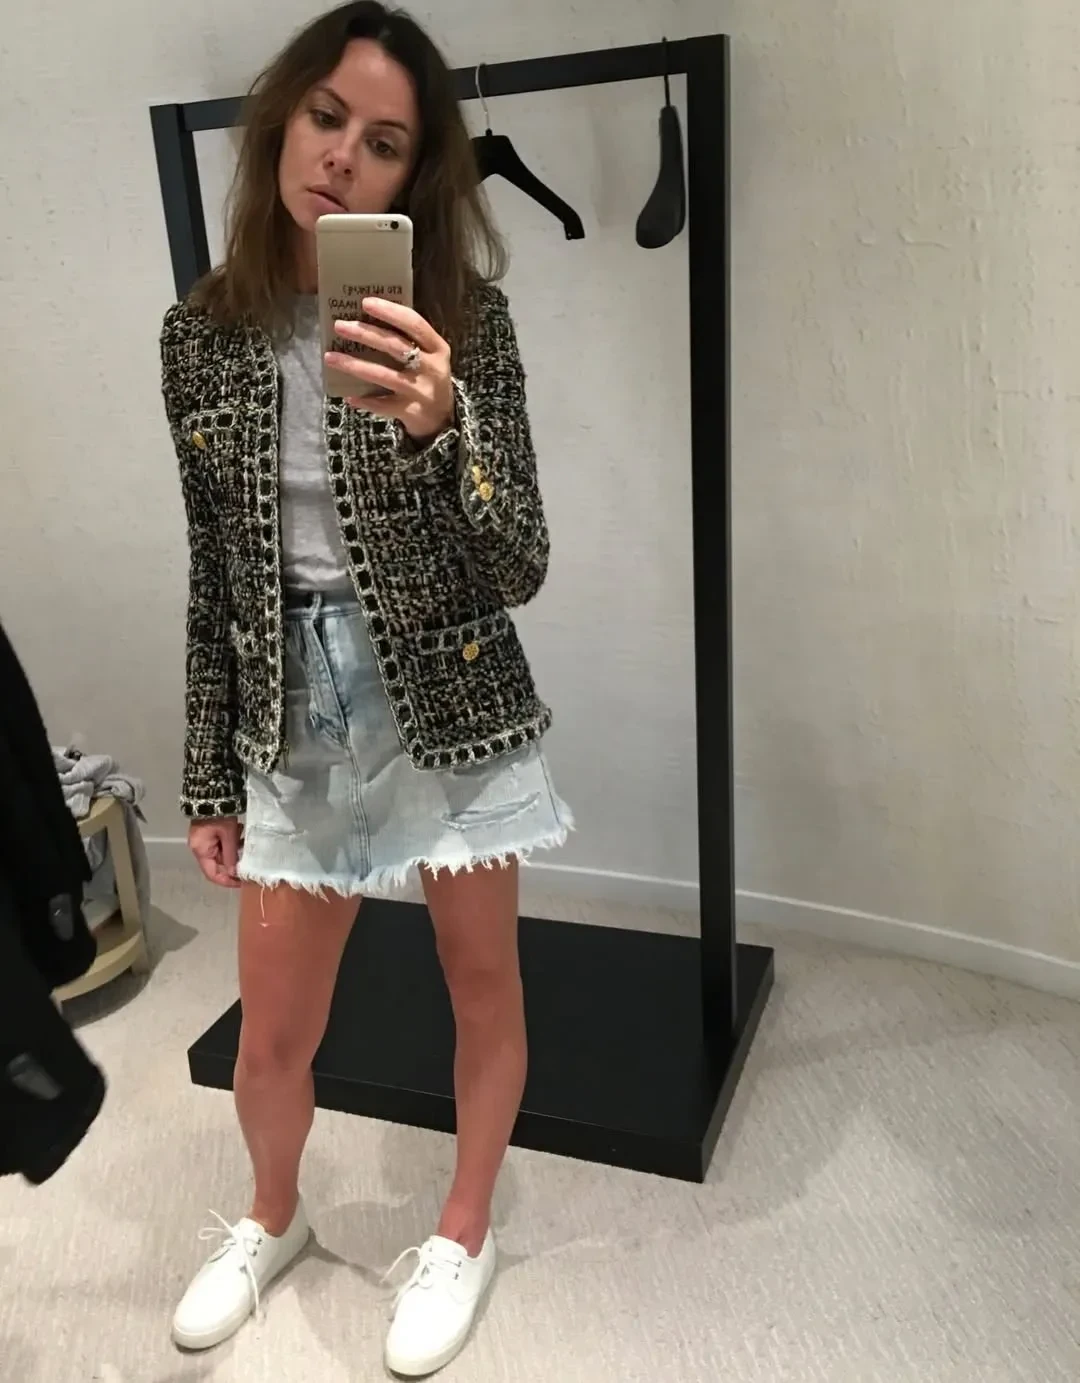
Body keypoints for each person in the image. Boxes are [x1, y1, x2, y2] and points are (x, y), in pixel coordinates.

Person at [159, 3, 571, 1375]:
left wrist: (445, 427)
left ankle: (463, 1229)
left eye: (384, 142)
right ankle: (271, 1216)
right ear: (282, 120)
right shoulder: (201, 335)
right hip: (290, 707)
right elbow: (216, 572)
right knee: (272, 1031)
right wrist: (208, 774)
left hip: (451, 692)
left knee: (481, 981)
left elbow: (520, 563)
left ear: (414, 175)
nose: (342, 156)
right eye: (327, 117)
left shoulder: (465, 321)